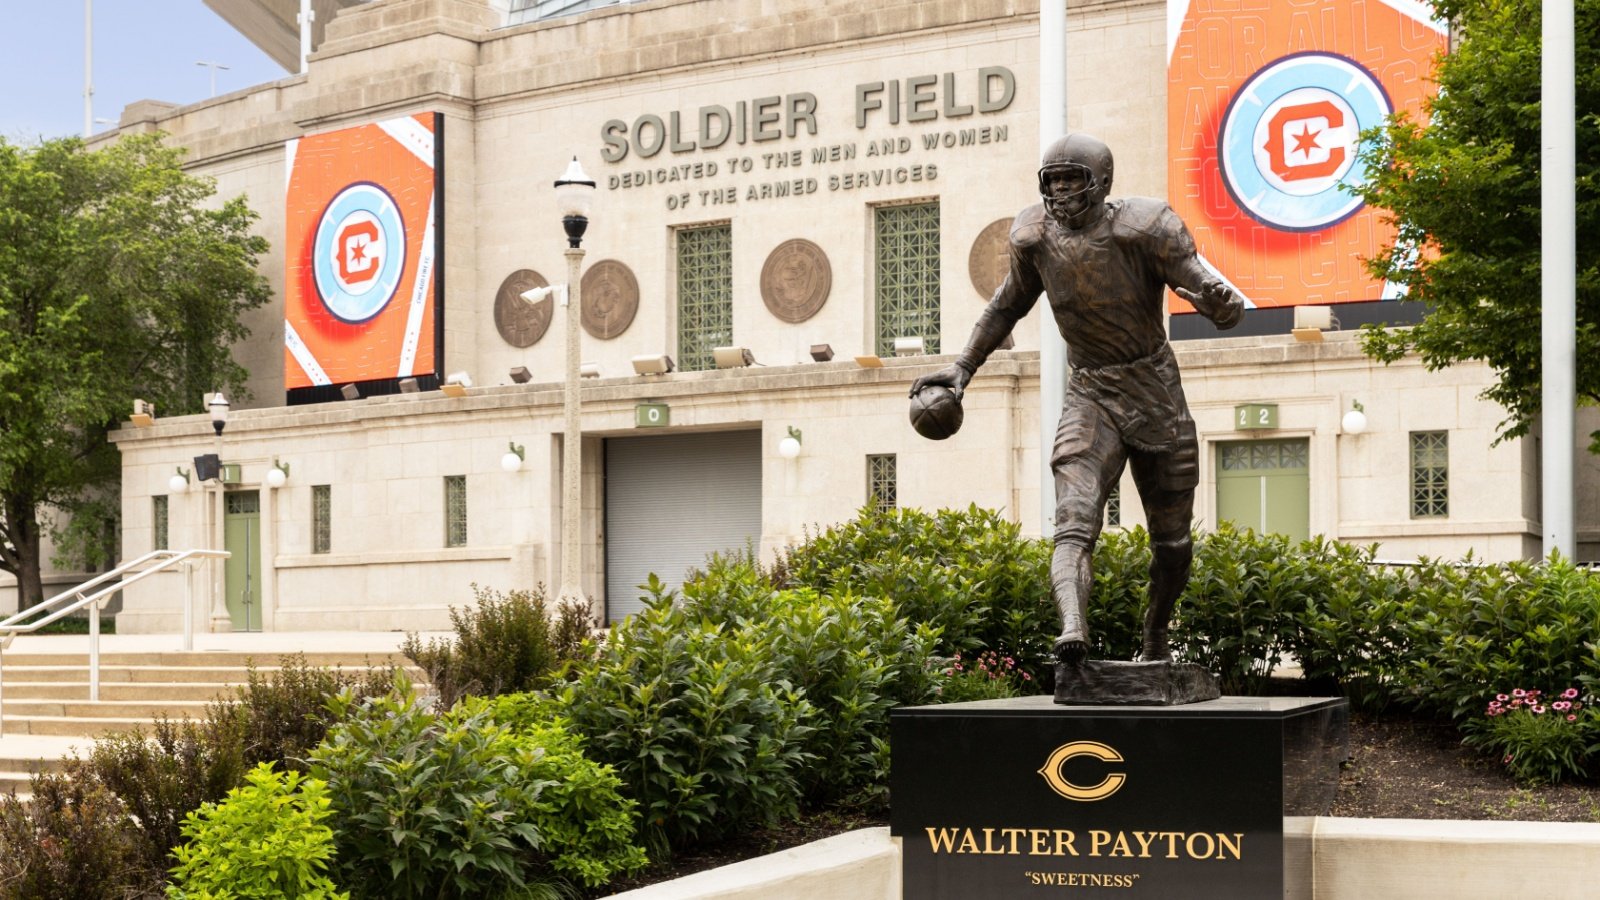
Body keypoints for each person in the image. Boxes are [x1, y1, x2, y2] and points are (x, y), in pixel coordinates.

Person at [911, 133, 1245, 666]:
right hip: (1090, 391)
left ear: (1103, 183)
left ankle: (1155, 633)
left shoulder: (1146, 226)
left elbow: (1201, 288)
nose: (1062, 190)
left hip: (1155, 391)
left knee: (1173, 545)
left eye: (1073, 179)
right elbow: (1004, 308)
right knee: (1074, 519)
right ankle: (1073, 628)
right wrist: (962, 368)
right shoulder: (1034, 237)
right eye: (1054, 180)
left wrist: (1219, 304)